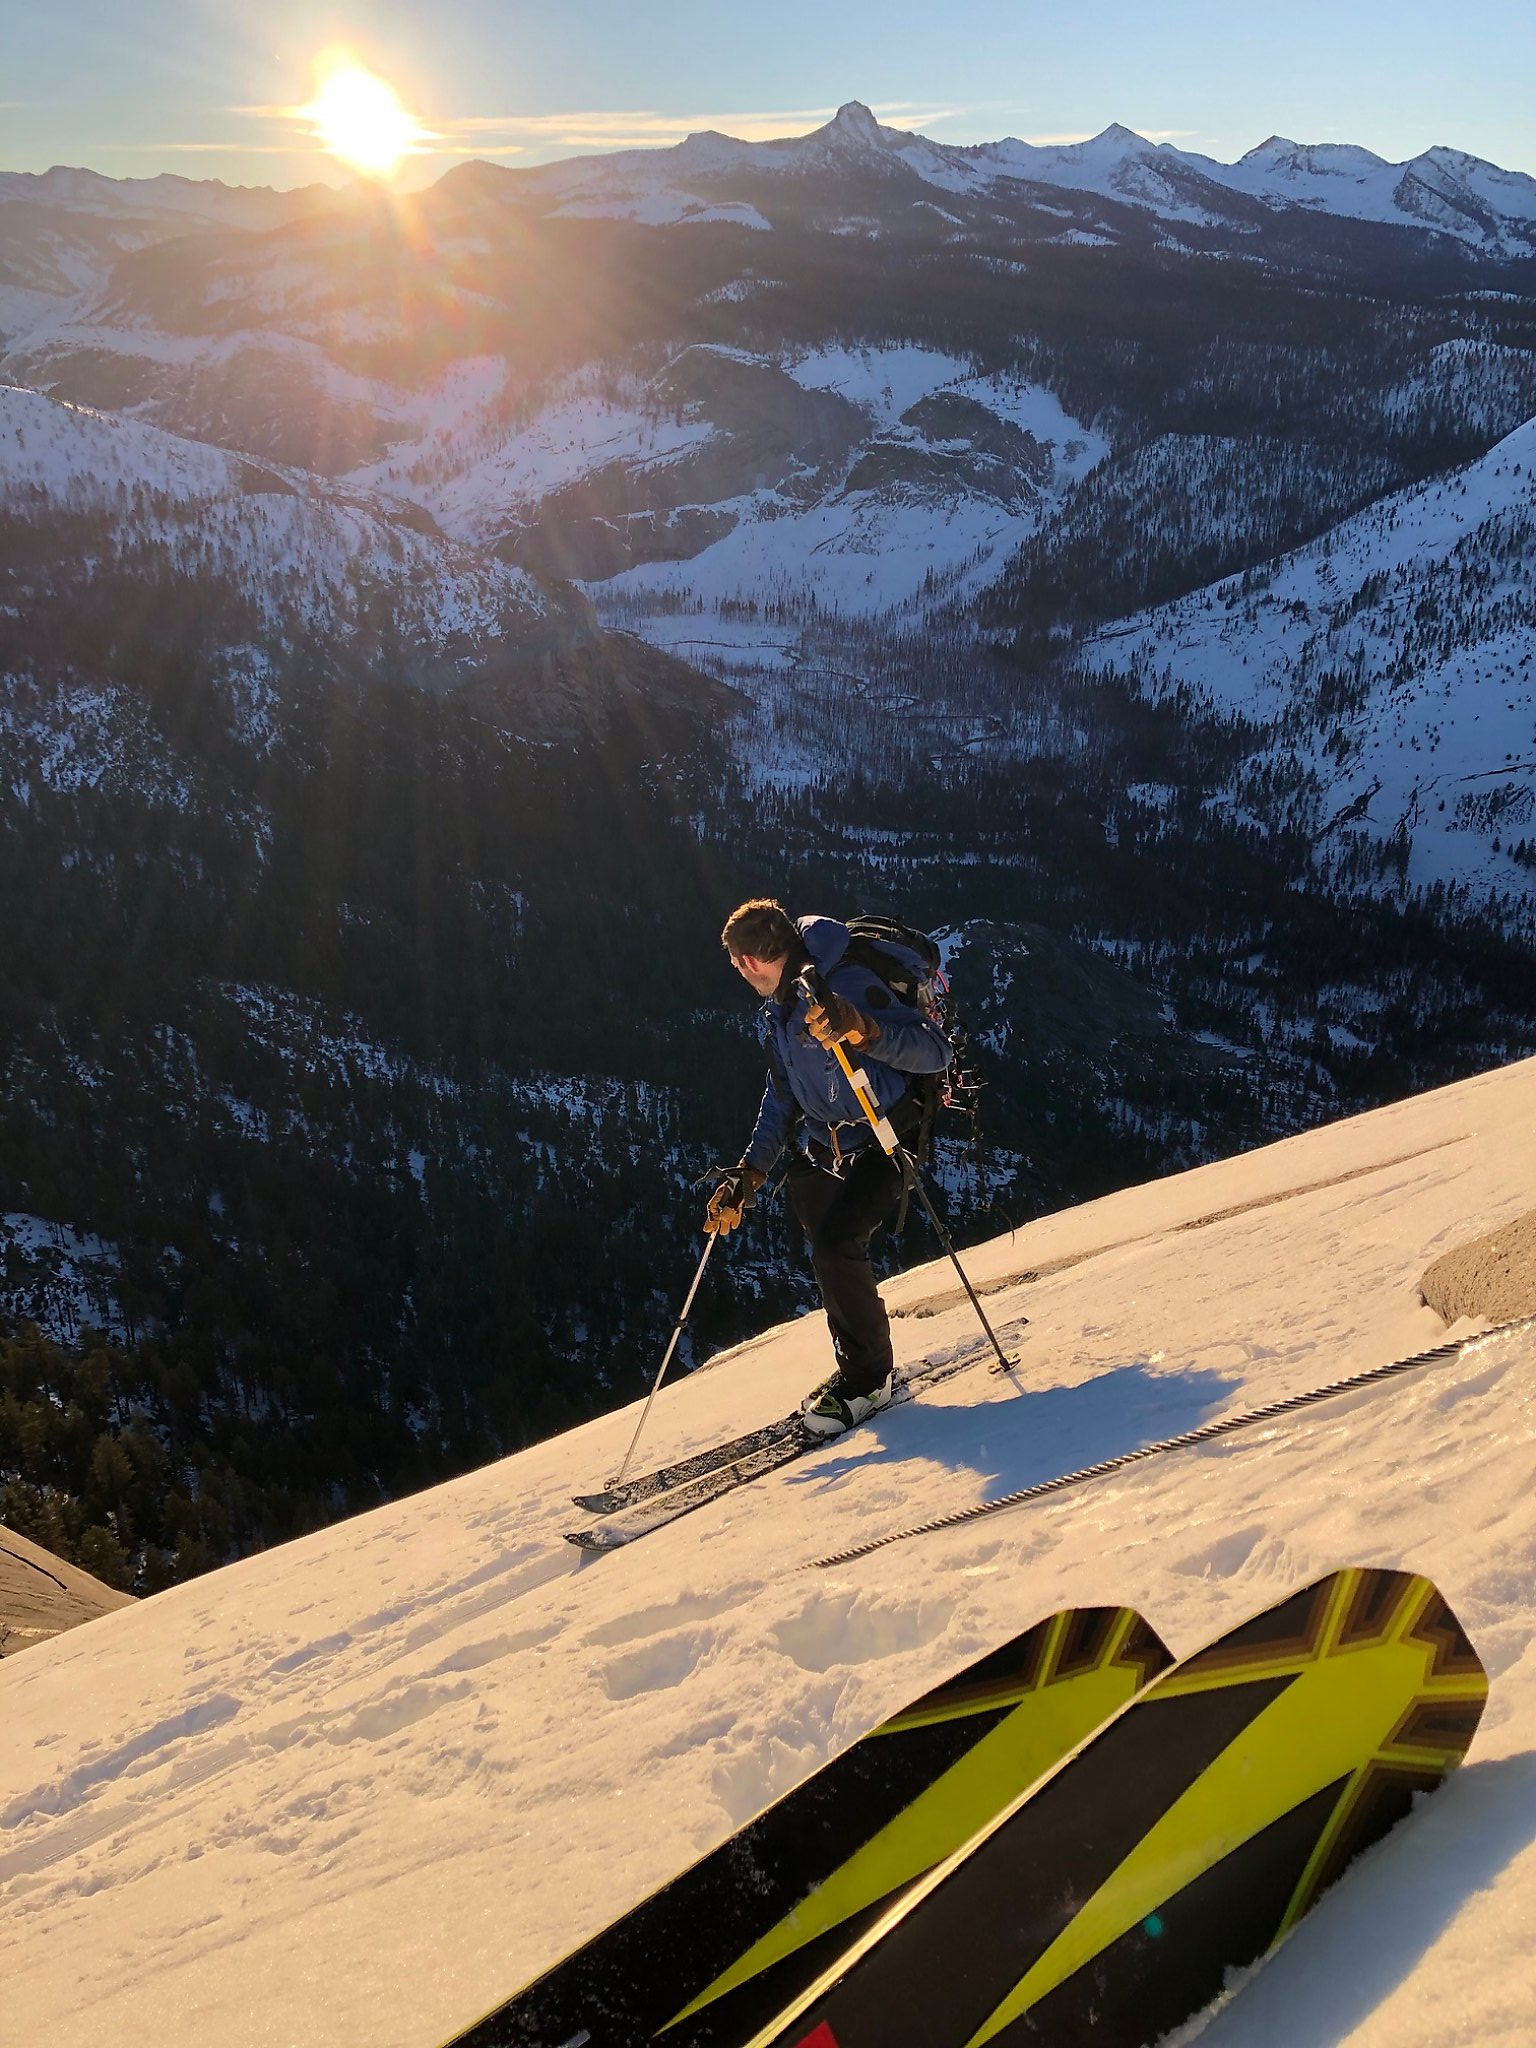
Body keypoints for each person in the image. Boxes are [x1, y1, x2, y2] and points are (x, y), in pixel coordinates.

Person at [705, 899, 952, 1437]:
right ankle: (859, 1364)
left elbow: (935, 1053)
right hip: (828, 1145)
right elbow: (782, 1095)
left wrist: (863, 1028)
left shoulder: (846, 980)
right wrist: (750, 1173)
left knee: (835, 1246)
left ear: (748, 961)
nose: (741, 975)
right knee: (830, 1251)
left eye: (738, 964)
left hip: (888, 1137)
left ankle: (868, 1379)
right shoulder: (783, 1004)